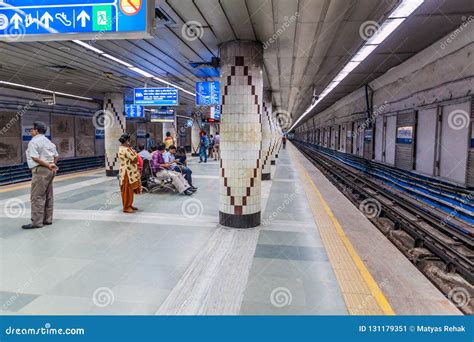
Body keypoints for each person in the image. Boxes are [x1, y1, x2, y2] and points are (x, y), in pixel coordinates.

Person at [22, 122, 59, 229]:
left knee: (37, 196)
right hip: (50, 170)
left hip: (40, 170)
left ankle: (36, 222)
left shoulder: (34, 142)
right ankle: (47, 219)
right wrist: (52, 165)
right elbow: (56, 156)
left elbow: (35, 157)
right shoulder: (48, 141)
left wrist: (47, 165)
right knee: (48, 195)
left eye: (32, 129)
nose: (30, 131)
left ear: (36, 130)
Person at [118, 133, 141, 213]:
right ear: (127, 140)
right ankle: (126, 207)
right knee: (127, 190)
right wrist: (135, 152)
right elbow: (135, 159)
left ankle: (129, 204)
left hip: (126, 172)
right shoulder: (126, 149)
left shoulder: (122, 148)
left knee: (129, 190)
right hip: (127, 173)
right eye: (129, 140)